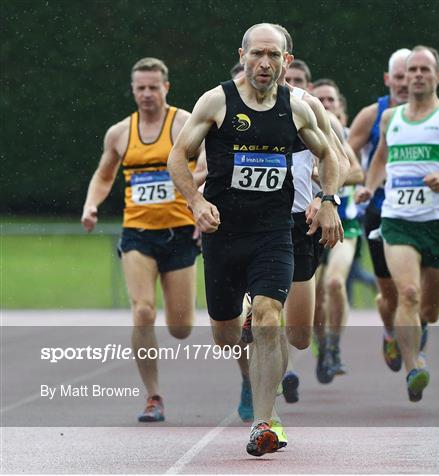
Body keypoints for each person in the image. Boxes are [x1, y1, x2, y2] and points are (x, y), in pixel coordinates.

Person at [167, 23, 343, 457]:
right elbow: (177, 156)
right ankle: (246, 353)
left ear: (286, 59)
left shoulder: (298, 108)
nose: (264, 64)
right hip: (224, 233)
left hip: (273, 232)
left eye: (273, 56)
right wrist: (195, 201)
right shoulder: (216, 101)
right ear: (243, 54)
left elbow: (330, 156)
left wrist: (327, 200)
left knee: (268, 319)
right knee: (226, 336)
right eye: (257, 54)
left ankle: (264, 423)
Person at [357, 45, 439, 402]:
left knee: (430, 309)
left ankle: (417, 335)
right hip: (398, 221)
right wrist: (369, 188)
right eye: (412, 69)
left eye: (424, 69)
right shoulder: (391, 119)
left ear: (438, 77)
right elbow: (381, 155)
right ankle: (413, 366)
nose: (416, 75)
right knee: (409, 294)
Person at [81, 58, 200, 422]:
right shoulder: (119, 133)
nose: (147, 94)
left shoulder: (184, 124)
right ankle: (153, 397)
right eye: (140, 88)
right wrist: (91, 205)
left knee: (181, 327)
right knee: (143, 310)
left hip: (180, 232)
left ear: (166, 87)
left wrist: (200, 202)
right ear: (133, 91)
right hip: (138, 234)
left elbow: (210, 163)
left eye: (153, 87)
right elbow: (104, 176)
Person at [348, 48, 411, 372]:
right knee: (389, 292)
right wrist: (358, 181)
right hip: (378, 207)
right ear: (388, 79)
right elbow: (345, 154)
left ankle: (414, 326)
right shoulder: (373, 115)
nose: (404, 83)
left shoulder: (435, 115)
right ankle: (389, 331)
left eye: (409, 75)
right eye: (398, 77)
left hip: (418, 211)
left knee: (415, 290)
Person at [311, 78, 364, 383]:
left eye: (331, 100)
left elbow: (357, 171)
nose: (326, 106)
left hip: (347, 225)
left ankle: (334, 347)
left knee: (333, 283)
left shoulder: (338, 133)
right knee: (316, 297)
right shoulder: (296, 126)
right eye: (321, 100)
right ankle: (324, 347)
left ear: (340, 107)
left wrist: (327, 179)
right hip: (310, 224)